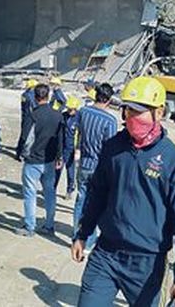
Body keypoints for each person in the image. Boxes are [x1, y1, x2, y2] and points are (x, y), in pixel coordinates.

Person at [72, 76, 175, 307]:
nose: (130, 117)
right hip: (106, 253)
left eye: (138, 111)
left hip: (147, 263)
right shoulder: (113, 147)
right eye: (128, 110)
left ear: (158, 112)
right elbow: (96, 195)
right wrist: (82, 233)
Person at [73, 82, 118, 252]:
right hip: (99, 167)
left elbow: (78, 132)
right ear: (109, 100)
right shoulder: (110, 120)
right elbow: (110, 148)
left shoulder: (84, 112)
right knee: (95, 204)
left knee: (80, 200)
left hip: (84, 163)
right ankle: (89, 240)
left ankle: (76, 235)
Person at [17, 84, 65, 237]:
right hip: (50, 160)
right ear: (48, 96)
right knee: (50, 193)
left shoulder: (33, 115)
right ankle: (49, 225)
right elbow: (60, 139)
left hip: (33, 160)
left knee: (30, 193)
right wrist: (59, 156)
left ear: (35, 97)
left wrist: (19, 152)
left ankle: (30, 226)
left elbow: (25, 137)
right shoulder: (58, 115)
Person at [55, 96, 82, 199]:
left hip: (72, 149)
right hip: (62, 147)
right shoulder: (64, 116)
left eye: (71, 109)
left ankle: (69, 190)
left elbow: (80, 134)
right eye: (68, 109)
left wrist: (78, 148)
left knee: (70, 171)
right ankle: (53, 188)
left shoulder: (80, 117)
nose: (69, 111)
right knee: (57, 169)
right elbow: (59, 133)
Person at [16, 78, 39, 161]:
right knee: (25, 136)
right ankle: (20, 153)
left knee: (29, 136)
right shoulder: (28, 95)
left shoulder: (28, 94)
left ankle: (22, 152)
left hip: (29, 117)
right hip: (28, 117)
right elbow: (31, 107)